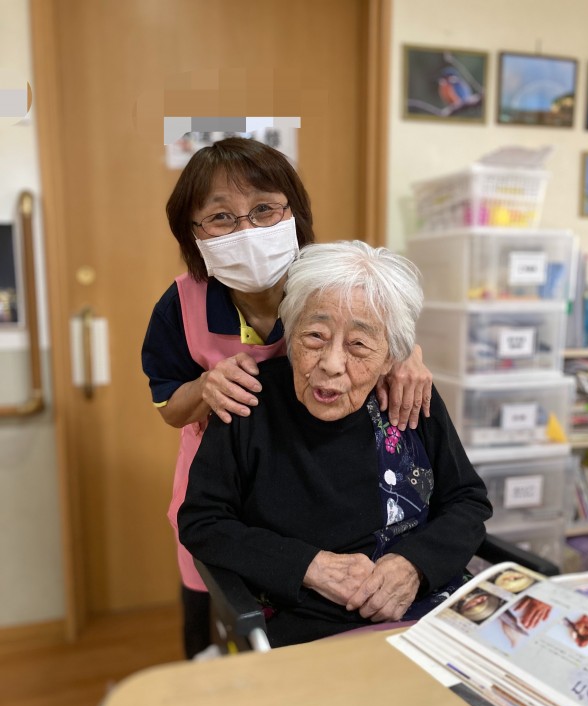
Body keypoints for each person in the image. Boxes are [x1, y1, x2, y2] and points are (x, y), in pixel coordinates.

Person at [142, 138, 433, 658]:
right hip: (224, 483)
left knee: (322, 601)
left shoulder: (323, 283)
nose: (246, 230)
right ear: (193, 232)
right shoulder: (181, 304)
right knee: (218, 609)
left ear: (293, 212)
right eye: (221, 217)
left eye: (264, 209)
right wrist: (205, 388)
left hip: (314, 478)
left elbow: (380, 320)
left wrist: (407, 354)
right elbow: (168, 406)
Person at [178, 241, 493, 647]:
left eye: (358, 345)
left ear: (390, 358)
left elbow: (468, 500)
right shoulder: (248, 402)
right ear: (290, 334)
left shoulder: (409, 399)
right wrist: (309, 566)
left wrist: (414, 566)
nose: (331, 363)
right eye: (314, 336)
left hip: (431, 609)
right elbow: (203, 521)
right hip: (311, 626)